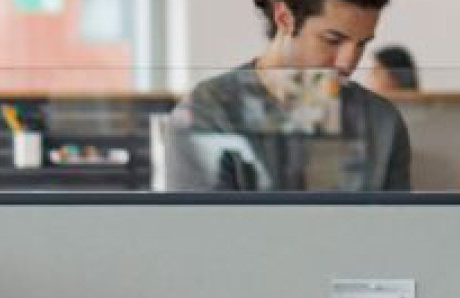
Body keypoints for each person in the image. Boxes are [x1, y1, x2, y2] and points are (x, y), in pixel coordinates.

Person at [158, 0, 411, 193]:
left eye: (362, 44)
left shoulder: (382, 121)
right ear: (284, 17)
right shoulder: (207, 113)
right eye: (333, 40)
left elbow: (394, 239)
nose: (348, 63)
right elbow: (200, 247)